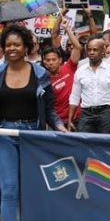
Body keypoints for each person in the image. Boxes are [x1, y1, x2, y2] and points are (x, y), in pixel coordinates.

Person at [0, 24, 67, 221]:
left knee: (34, 186)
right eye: (8, 44)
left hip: (33, 136)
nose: (12, 48)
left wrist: (61, 127)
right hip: (4, 135)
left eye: (17, 45)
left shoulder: (40, 74)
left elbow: (49, 109)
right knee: (9, 187)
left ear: (26, 47)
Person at [68, 36, 110, 134]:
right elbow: (75, 97)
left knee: (103, 145)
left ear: (103, 51)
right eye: (89, 50)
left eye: (95, 50)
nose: (91, 52)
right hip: (85, 113)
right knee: (84, 144)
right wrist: (70, 119)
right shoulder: (80, 72)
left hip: (105, 113)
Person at [42, 18, 83, 128]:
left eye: (53, 59)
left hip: (77, 118)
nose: (51, 63)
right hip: (57, 122)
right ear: (44, 62)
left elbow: (78, 47)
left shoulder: (69, 67)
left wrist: (67, 29)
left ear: (60, 60)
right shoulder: (43, 79)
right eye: (48, 60)